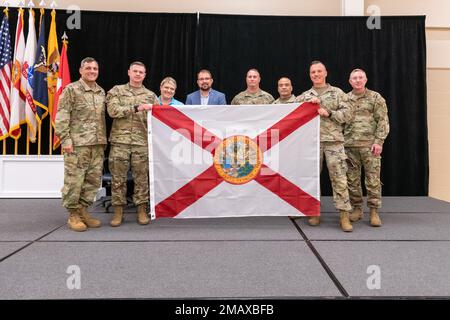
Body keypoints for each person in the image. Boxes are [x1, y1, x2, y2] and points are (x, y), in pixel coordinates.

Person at [295, 60, 354, 232]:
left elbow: (348, 115)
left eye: (319, 71)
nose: (316, 74)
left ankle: (344, 216)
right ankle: (314, 212)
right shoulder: (305, 96)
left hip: (334, 142)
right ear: (310, 75)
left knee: (339, 179)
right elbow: (289, 114)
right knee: (312, 179)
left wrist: (329, 113)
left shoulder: (337, 93)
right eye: (313, 72)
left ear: (325, 73)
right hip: (312, 143)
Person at [55, 57, 106, 232]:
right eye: (88, 68)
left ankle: (83, 210)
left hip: (97, 145)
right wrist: (65, 140)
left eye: (95, 68)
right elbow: (61, 116)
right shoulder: (71, 90)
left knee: (92, 181)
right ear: (81, 70)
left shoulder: (100, 91)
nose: (92, 71)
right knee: (74, 181)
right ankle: (73, 215)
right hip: (77, 145)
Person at [106, 62, 157, 227]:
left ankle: (141, 210)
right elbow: (113, 111)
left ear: (145, 74)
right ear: (129, 72)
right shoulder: (117, 91)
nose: (137, 74)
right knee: (118, 179)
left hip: (141, 143)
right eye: (135, 71)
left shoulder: (150, 96)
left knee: (142, 179)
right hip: (120, 142)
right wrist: (137, 107)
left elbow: (158, 119)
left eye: (141, 72)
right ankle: (118, 212)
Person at [344, 68, 390, 227]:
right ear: (350, 81)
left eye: (360, 77)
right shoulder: (345, 99)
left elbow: (383, 121)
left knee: (372, 179)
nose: (357, 80)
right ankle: (357, 209)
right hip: (349, 147)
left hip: (370, 147)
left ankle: (374, 211)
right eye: (354, 78)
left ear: (365, 79)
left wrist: (379, 141)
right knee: (352, 180)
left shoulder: (375, 98)